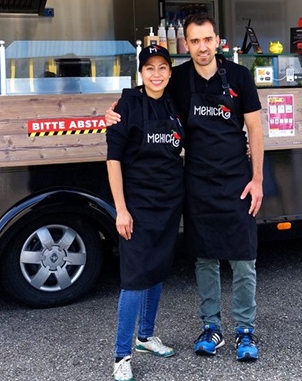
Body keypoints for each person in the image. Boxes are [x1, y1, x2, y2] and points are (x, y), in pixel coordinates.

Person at [107, 13, 264, 362]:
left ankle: (245, 330)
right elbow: (145, 95)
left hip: (238, 181)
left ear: (217, 40)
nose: (202, 47)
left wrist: (258, 180)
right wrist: (114, 111)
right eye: (194, 41)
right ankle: (211, 327)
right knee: (205, 259)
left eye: (207, 40)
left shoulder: (239, 76)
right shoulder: (177, 78)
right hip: (196, 182)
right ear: (187, 45)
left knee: (243, 259)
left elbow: (255, 130)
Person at [106, 44, 184, 381]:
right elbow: (113, 161)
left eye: (162, 68)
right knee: (135, 278)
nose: (156, 74)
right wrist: (121, 209)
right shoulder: (127, 105)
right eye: (149, 68)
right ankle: (121, 355)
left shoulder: (173, 102)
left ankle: (145, 336)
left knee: (157, 270)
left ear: (169, 71)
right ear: (140, 73)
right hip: (136, 206)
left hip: (168, 202)